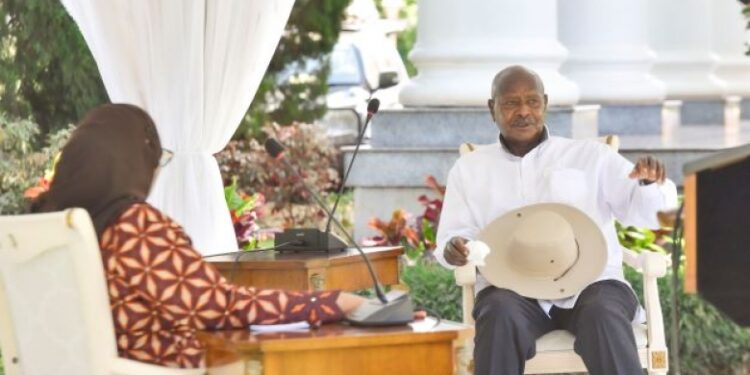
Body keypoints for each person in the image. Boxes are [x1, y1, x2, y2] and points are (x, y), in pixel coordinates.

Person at [31, 103, 373, 369]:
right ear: (131, 162)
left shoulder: (47, 227)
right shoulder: (132, 227)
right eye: (154, 160)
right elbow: (217, 307)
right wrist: (333, 302)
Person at [435, 66, 678, 375]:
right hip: (511, 290)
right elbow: (454, 236)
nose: (524, 111)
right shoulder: (469, 169)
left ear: (545, 103)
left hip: (593, 283)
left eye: (532, 101)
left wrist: (647, 185)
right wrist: (455, 248)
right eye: (511, 103)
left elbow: (645, 213)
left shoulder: (591, 156)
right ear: (491, 108)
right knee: (498, 312)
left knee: (603, 313)